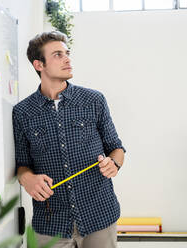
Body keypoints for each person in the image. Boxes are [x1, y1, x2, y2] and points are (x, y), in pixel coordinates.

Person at [12, 31, 125, 248]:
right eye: (57, 55)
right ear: (39, 65)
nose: (67, 59)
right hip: (50, 224)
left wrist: (114, 163)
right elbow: (21, 165)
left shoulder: (94, 100)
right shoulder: (23, 112)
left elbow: (116, 148)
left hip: (99, 217)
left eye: (67, 53)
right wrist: (27, 179)